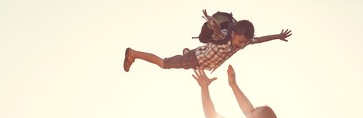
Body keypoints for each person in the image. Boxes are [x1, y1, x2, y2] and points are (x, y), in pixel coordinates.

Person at [124, 9, 292, 73]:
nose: (241, 46)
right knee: (163, 64)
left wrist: (277, 36)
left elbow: (260, 40)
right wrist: (212, 21)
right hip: (195, 59)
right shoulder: (225, 35)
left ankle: (187, 52)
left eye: (244, 43)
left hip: (202, 62)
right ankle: (133, 54)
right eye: (240, 41)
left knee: (191, 62)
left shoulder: (244, 42)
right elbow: (218, 31)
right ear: (233, 33)